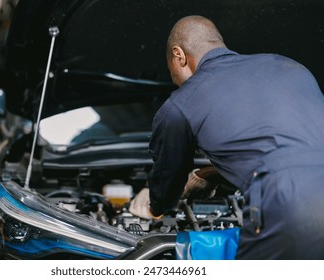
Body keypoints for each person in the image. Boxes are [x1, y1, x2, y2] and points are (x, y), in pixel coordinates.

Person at [129, 15, 324, 259]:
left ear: (179, 56)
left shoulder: (179, 105)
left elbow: (167, 191)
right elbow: (289, 147)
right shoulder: (289, 67)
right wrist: (207, 174)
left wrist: (153, 204)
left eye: (171, 71)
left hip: (289, 206)